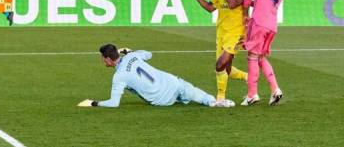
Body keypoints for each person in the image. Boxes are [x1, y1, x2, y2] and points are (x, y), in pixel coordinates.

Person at [77, 44, 235, 108]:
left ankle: (197, 100)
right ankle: (213, 102)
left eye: (102, 58)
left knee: (178, 96)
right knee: (190, 90)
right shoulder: (132, 56)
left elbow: (114, 103)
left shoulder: (119, 76)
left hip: (161, 99)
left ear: (108, 60)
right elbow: (149, 54)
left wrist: (93, 103)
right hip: (172, 82)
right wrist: (130, 51)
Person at [187, 0, 248, 105]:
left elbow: (233, 4)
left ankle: (221, 98)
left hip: (235, 34)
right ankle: (249, 77)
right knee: (226, 69)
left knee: (219, 65)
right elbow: (210, 8)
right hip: (221, 34)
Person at [241, 0, 286, 106]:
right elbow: (268, 2)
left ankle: (252, 94)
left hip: (259, 21)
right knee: (260, 57)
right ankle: (275, 90)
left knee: (252, 57)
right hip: (271, 25)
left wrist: (245, 12)